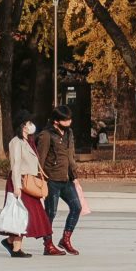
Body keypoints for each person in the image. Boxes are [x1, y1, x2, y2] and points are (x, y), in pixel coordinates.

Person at [42, 109, 82, 254]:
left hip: (66, 179)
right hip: (51, 180)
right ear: (56, 121)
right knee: (50, 213)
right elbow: (40, 159)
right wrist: (41, 179)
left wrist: (75, 176)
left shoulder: (69, 133)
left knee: (76, 207)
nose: (69, 122)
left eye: (70, 119)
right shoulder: (46, 135)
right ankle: (48, 244)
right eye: (66, 120)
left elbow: (71, 156)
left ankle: (65, 239)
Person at [3, 122, 43, 257]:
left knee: (27, 214)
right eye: (28, 123)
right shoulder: (16, 142)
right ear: (22, 126)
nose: (32, 125)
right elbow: (16, 165)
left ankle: (10, 241)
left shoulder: (28, 141)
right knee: (21, 214)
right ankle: (16, 248)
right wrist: (16, 186)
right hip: (20, 182)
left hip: (28, 181)